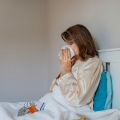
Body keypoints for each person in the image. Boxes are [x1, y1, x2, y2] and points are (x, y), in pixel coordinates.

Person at [39, 24, 120, 120]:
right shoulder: (73, 61)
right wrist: (63, 69)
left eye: (70, 43)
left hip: (71, 107)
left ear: (82, 42)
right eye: (66, 43)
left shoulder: (92, 63)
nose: (66, 47)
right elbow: (52, 88)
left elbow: (79, 99)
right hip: (52, 101)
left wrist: (66, 70)